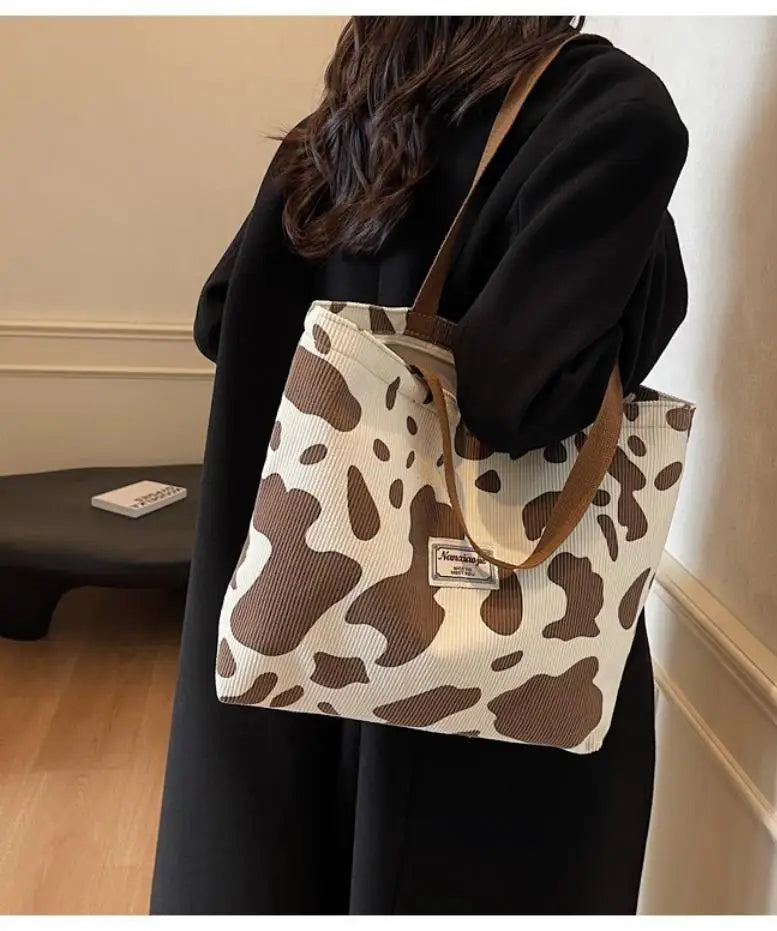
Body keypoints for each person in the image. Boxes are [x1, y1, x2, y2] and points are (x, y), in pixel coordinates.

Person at [150, 16, 689, 915]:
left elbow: (220, 318)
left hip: (298, 613)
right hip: (487, 682)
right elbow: (518, 396)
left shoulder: (347, 119)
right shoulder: (603, 109)